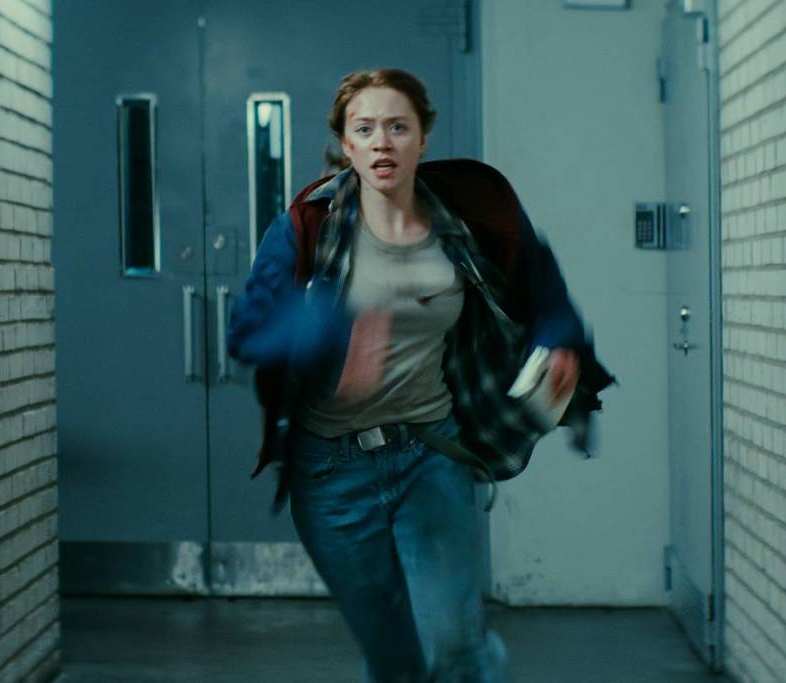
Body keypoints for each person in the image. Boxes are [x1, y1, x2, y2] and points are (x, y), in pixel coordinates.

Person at [227, 68, 612, 683]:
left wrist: (558, 341)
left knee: (455, 645)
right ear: (345, 143)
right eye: (365, 129)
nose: (382, 142)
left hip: (429, 453)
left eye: (397, 127)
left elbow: (542, 288)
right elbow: (246, 330)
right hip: (330, 470)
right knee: (395, 658)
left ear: (422, 138)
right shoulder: (307, 225)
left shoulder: (468, 215)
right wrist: (328, 329)